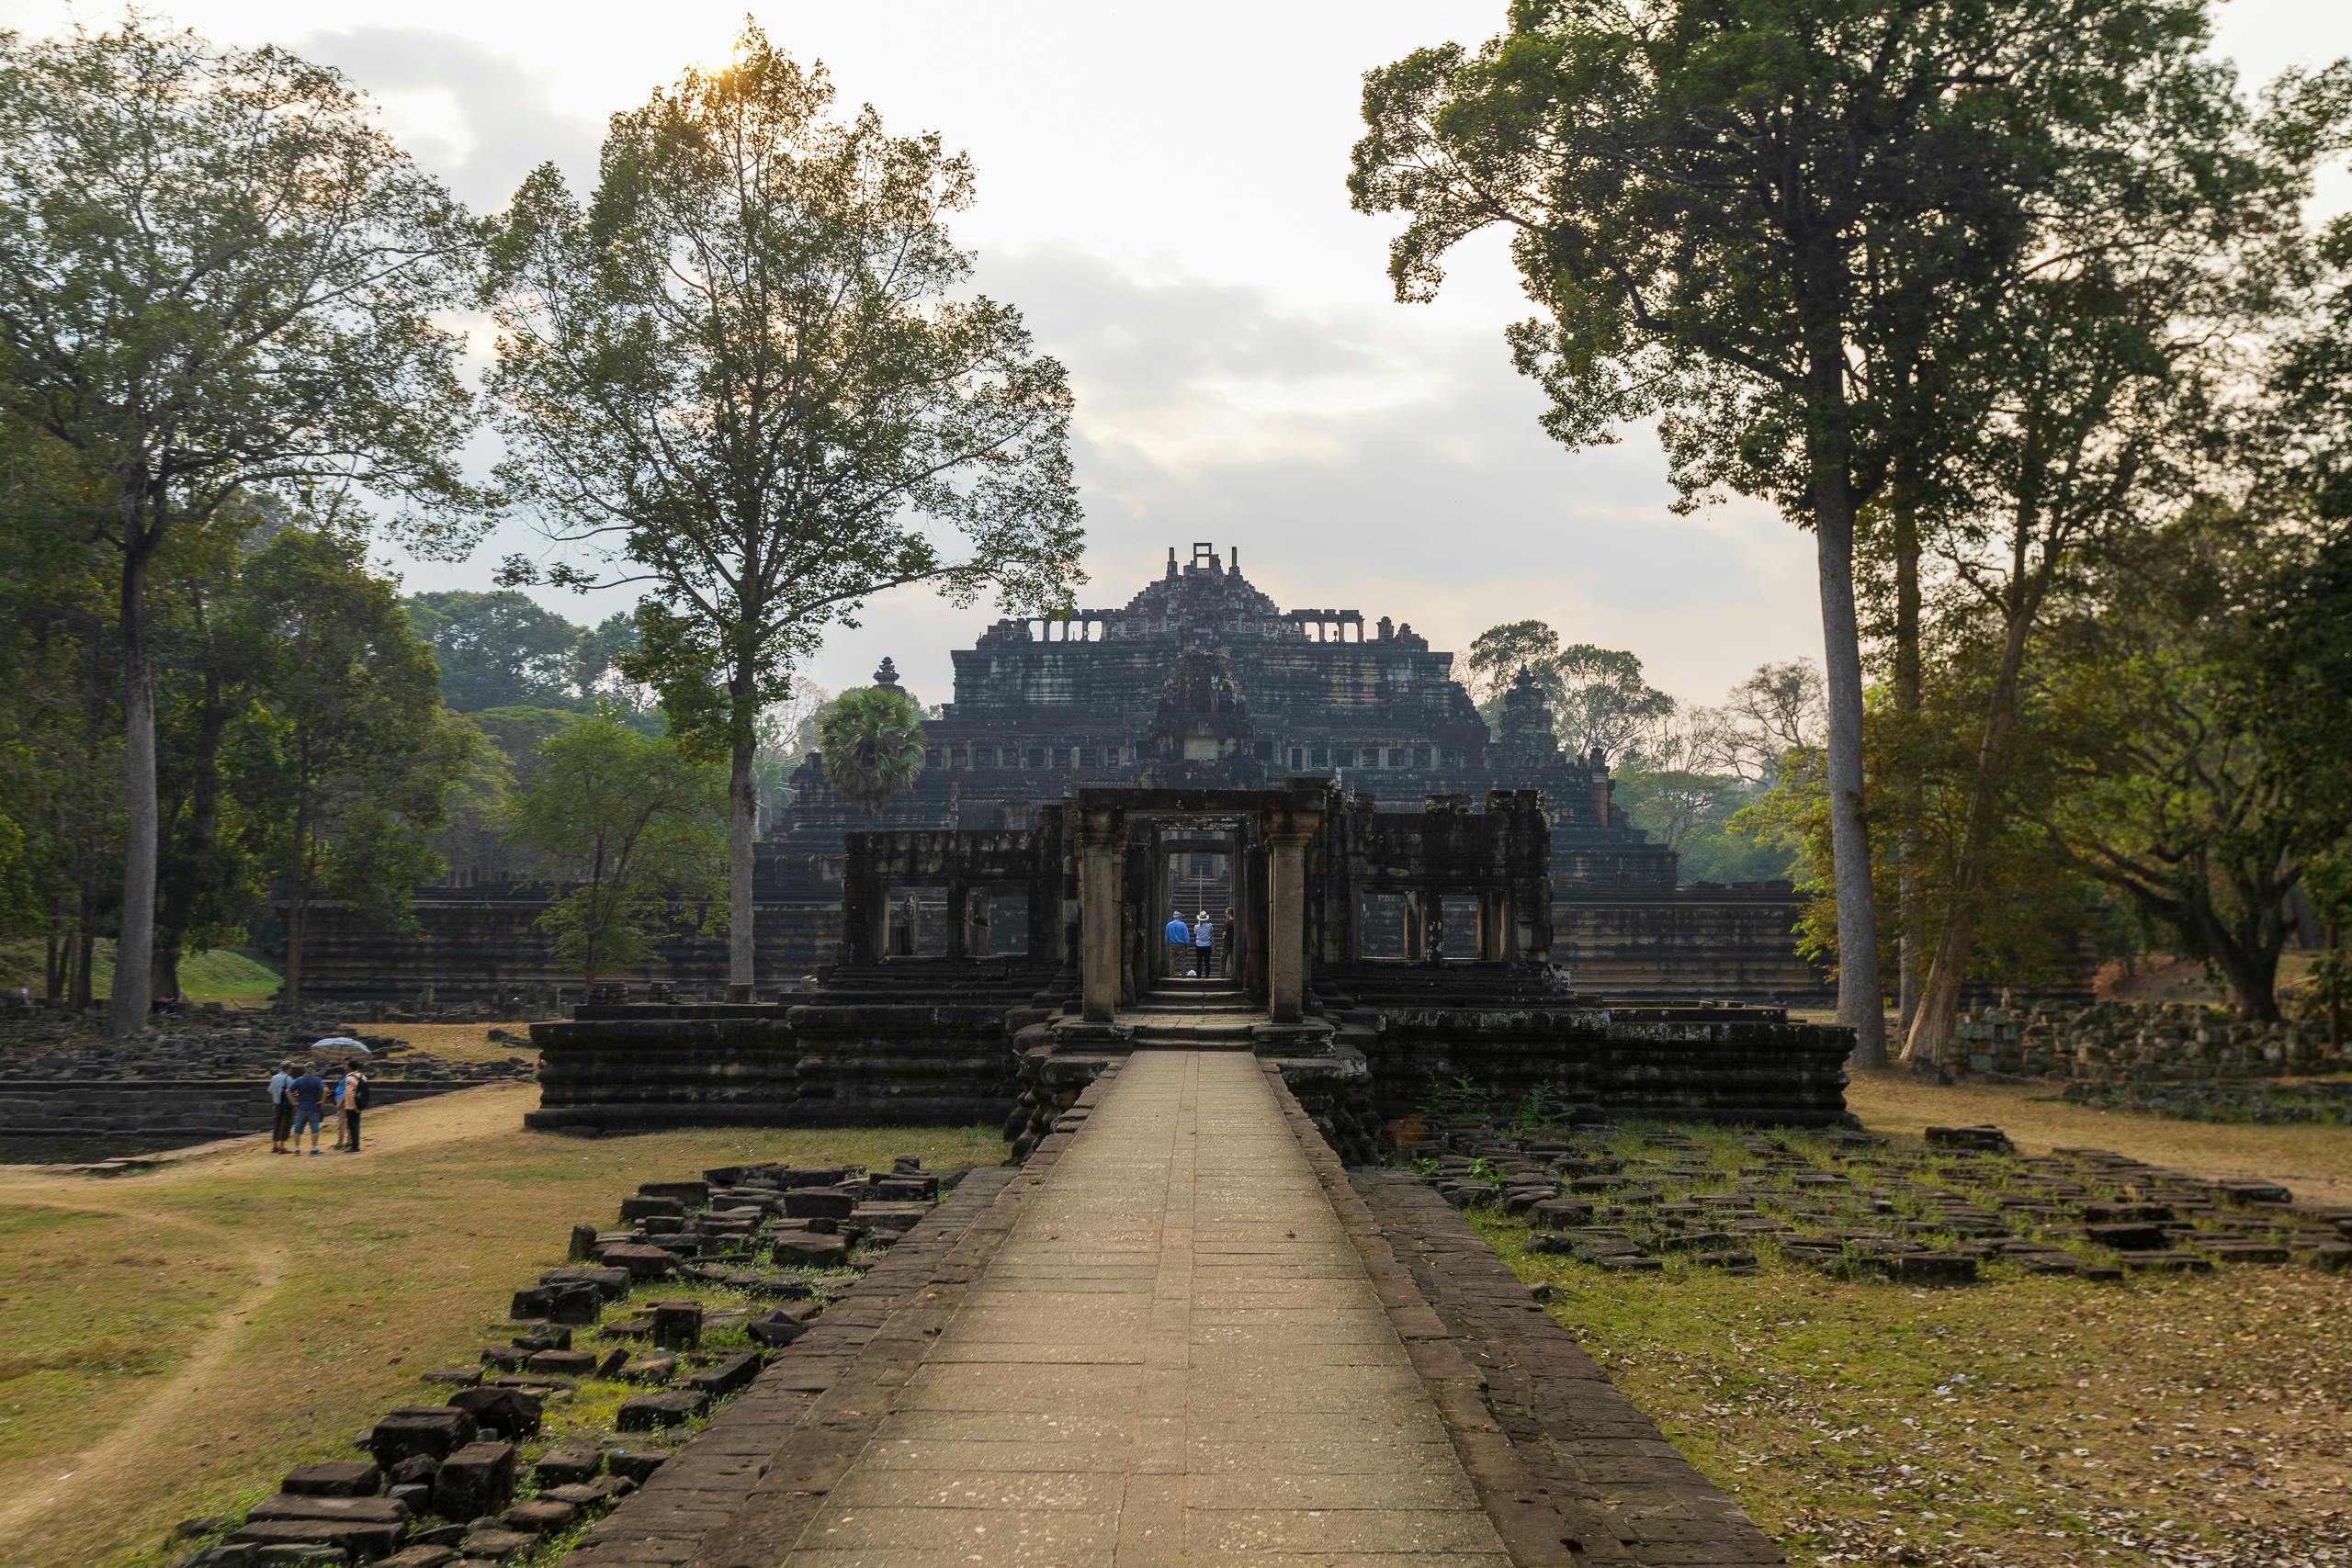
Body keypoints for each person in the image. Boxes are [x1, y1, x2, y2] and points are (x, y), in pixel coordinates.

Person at [288, 1065, 328, 1156]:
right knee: (314, 1129)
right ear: (314, 1070)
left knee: (298, 1129)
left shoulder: (299, 1080)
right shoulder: (317, 1080)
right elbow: (326, 1090)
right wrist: (322, 1102)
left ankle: (297, 1149)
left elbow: (288, 1091)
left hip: (301, 1107)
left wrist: (293, 1102)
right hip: (313, 1107)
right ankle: (314, 1149)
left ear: (305, 1070)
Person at [337, 1057, 368, 1154]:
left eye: (346, 1065)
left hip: (351, 1106)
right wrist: (359, 1105)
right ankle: (355, 1145)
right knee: (356, 1125)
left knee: (352, 1126)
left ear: (350, 1067)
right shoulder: (362, 1076)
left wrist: (354, 1106)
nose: (345, 1066)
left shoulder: (349, 1078)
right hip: (360, 1103)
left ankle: (355, 1147)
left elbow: (350, 1093)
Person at [266, 1061, 296, 1154]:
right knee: (286, 1124)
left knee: (277, 1124)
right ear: (288, 1069)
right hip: (286, 1105)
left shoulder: (274, 1077)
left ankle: (275, 1145)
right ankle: (282, 1147)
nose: (291, 1069)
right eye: (291, 1068)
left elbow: (270, 1090)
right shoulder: (288, 1078)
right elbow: (292, 1091)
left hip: (276, 1103)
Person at [1162, 909, 1190, 975]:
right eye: (1181, 917)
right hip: (1182, 945)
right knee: (1183, 960)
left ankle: (1172, 975)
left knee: (1172, 960)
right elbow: (1186, 936)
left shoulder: (1169, 925)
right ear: (1179, 917)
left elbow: (1166, 936)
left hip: (1172, 944)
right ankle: (1183, 975)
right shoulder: (1183, 925)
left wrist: (1167, 945)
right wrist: (1187, 945)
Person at [1193, 910, 1213, 976]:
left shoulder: (1196, 926)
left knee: (1199, 962)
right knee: (1207, 962)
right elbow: (1211, 933)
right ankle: (1207, 975)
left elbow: (1195, 933)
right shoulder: (1210, 925)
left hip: (1199, 945)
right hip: (1207, 945)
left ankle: (1198, 975)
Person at [1218, 905, 1236, 977]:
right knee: (1232, 960)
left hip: (1227, 943)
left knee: (1223, 959)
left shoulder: (1227, 922)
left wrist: (1223, 937)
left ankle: (1222, 975)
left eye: (1226, 913)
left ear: (1229, 914)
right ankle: (1233, 975)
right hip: (1234, 943)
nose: (1225, 915)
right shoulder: (1235, 922)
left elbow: (1224, 933)